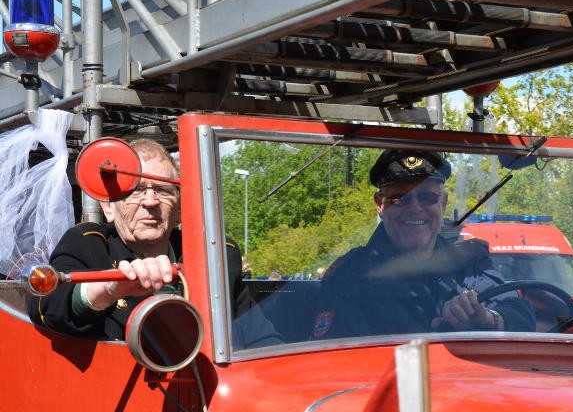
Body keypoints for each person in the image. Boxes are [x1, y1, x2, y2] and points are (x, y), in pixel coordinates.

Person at [27, 138, 280, 346]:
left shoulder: (214, 255)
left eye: (162, 190)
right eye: (136, 190)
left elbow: (263, 341)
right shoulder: (89, 245)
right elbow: (46, 305)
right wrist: (107, 290)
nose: (150, 201)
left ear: (180, 208)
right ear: (109, 207)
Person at [311, 149, 536, 340]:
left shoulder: (470, 263)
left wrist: (487, 320)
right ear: (380, 204)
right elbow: (341, 360)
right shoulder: (350, 275)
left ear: (443, 203)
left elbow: (521, 316)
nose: (415, 208)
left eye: (427, 198)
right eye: (401, 198)